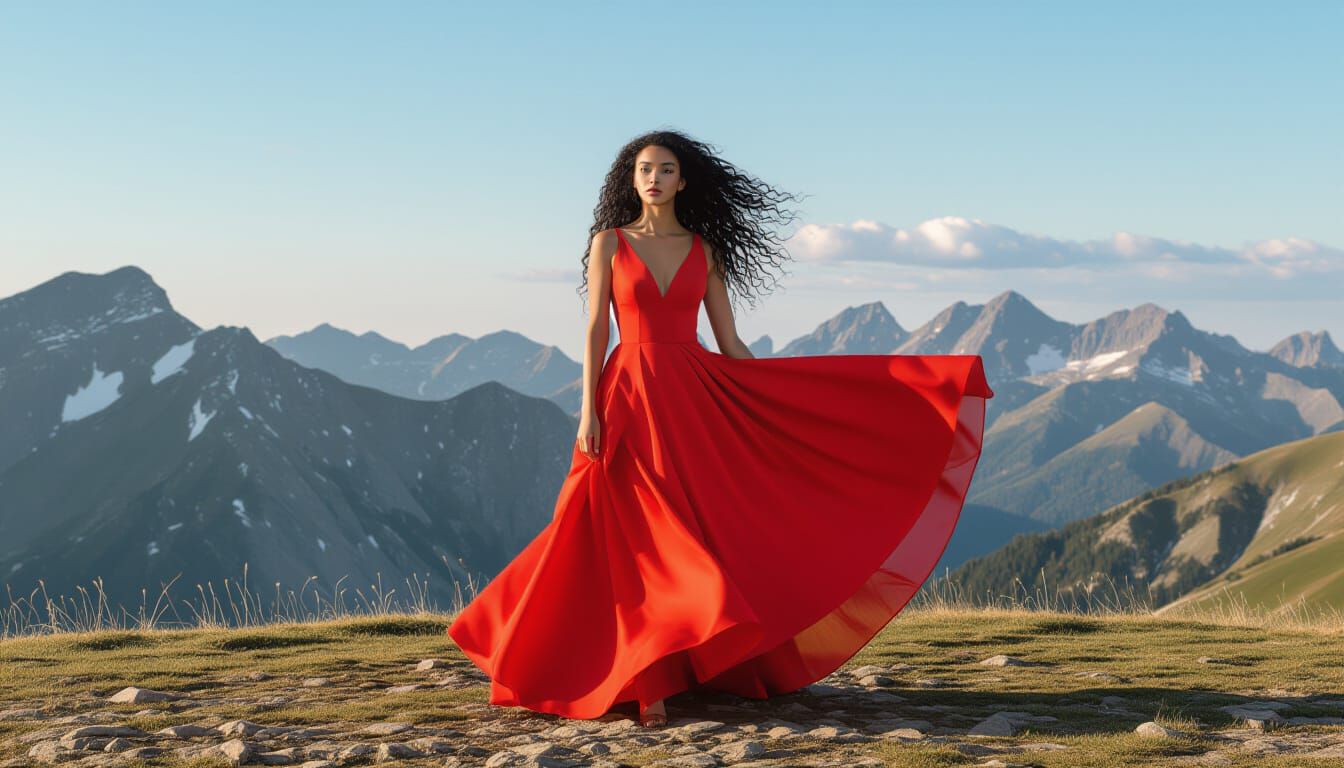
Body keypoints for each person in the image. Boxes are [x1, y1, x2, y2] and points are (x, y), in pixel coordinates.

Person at [447, 129, 994, 728]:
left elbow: (729, 340)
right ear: (631, 180)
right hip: (627, 393)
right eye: (644, 169)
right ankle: (638, 676)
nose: (653, 177)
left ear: (683, 180)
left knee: (691, 530)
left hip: (691, 395)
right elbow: (596, 333)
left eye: (665, 169)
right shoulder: (608, 243)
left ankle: (679, 665)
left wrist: (780, 399)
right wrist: (588, 409)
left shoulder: (704, 250)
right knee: (626, 531)